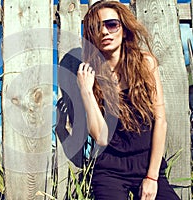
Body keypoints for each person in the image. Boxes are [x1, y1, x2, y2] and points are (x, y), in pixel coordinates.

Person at [76, 1, 181, 199]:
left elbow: (161, 121)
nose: (104, 31)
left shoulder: (145, 63)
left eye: (111, 24)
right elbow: (101, 137)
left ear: (124, 30)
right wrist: (86, 91)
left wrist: (151, 178)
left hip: (147, 164)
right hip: (109, 168)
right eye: (97, 27)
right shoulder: (91, 76)